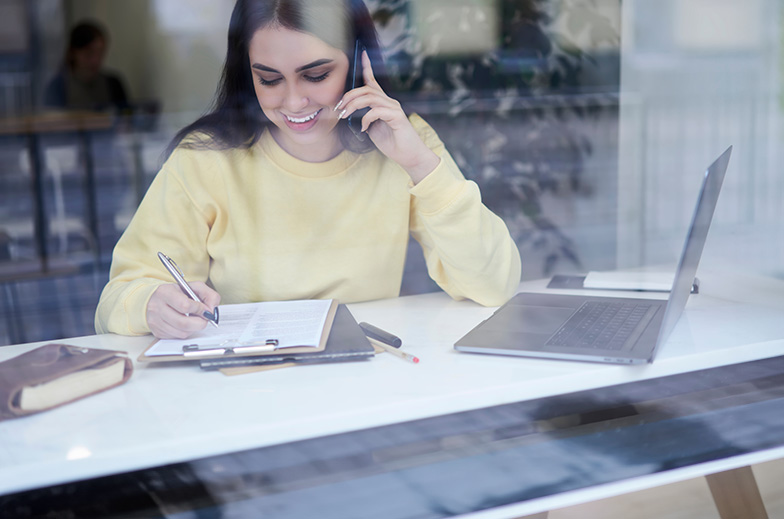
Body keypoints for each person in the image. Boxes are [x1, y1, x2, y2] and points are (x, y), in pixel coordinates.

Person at [95, 0, 521, 339]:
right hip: (245, 394)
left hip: (361, 389)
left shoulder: (404, 143)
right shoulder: (204, 159)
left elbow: (494, 284)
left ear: (358, 62)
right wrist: (150, 304)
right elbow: (116, 299)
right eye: (269, 79)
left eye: (315, 74)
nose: (294, 102)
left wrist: (420, 166)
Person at [44, 20, 130, 112]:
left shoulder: (113, 84)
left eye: (100, 53)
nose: (95, 60)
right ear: (73, 52)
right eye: (89, 54)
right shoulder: (58, 87)